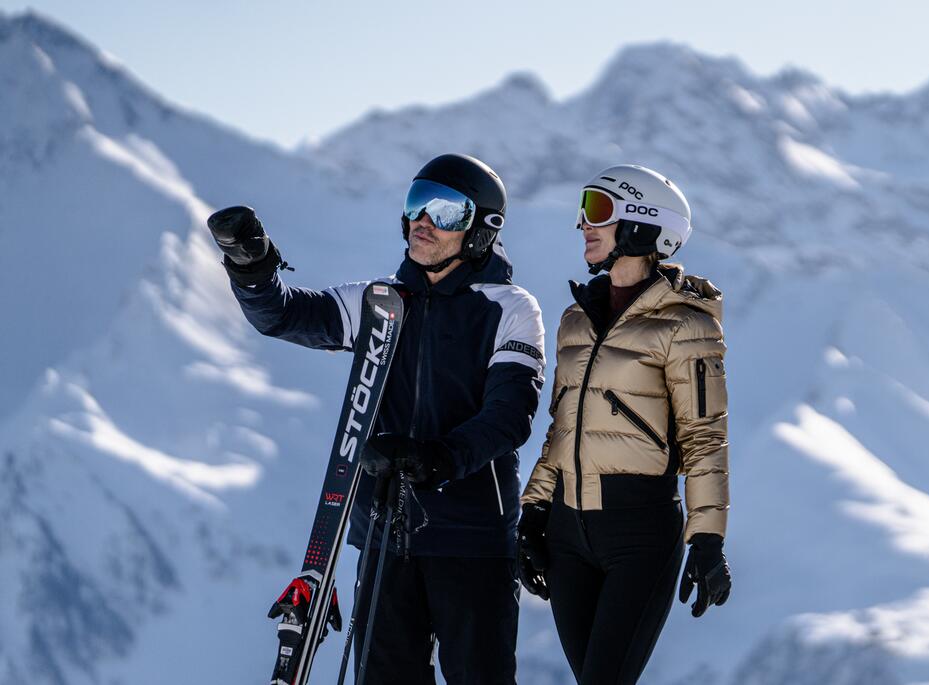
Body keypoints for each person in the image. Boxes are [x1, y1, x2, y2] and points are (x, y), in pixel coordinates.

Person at [207, 153, 543, 684]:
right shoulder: (381, 302)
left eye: (446, 211)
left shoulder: (508, 308)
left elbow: (510, 416)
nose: (423, 222)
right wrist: (251, 268)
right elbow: (285, 315)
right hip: (386, 538)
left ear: (482, 229)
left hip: (472, 540)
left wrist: (438, 458)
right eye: (416, 204)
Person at [518, 164, 733, 683]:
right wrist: (533, 511)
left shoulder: (687, 325)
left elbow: (705, 436)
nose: (582, 224)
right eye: (583, 209)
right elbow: (561, 429)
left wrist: (707, 538)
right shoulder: (576, 319)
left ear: (642, 223)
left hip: (638, 533)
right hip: (568, 534)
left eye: (597, 210)